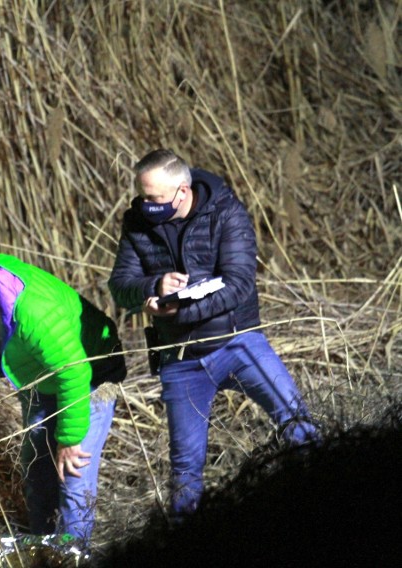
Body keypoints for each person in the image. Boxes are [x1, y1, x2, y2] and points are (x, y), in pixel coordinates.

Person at [108, 148, 319, 519]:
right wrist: (154, 286)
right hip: (179, 357)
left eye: (154, 198)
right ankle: (183, 540)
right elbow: (120, 286)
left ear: (182, 192)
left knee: (298, 424)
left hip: (238, 342)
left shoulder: (227, 212)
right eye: (142, 196)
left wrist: (183, 309)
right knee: (185, 470)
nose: (146, 205)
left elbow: (238, 284)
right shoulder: (136, 221)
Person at [0, 253, 126, 543]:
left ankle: (73, 556)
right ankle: (40, 551)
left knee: (72, 477)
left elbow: (73, 373)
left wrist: (69, 439)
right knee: (37, 471)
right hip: (41, 380)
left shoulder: (34, 313)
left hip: (90, 378)